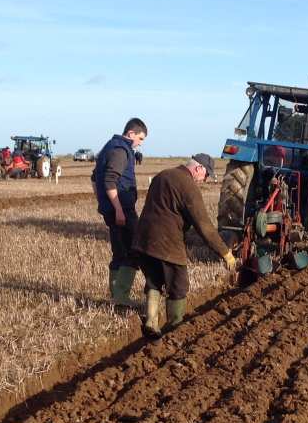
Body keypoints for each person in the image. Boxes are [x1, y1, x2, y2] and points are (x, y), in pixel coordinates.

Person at [134, 153, 236, 338]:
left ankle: (151, 321)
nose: (204, 180)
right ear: (198, 168)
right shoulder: (188, 186)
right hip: (167, 243)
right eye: (205, 176)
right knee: (178, 286)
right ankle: (174, 330)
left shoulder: (162, 175)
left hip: (143, 240)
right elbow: (204, 226)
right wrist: (225, 253)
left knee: (154, 279)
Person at [93, 117, 148, 308]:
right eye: (140, 139)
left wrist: (103, 202)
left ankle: (116, 296)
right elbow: (109, 180)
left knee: (119, 251)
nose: (140, 144)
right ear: (131, 133)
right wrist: (118, 210)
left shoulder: (110, 146)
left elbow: (94, 179)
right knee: (133, 251)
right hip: (121, 210)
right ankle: (122, 297)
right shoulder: (121, 150)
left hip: (114, 209)